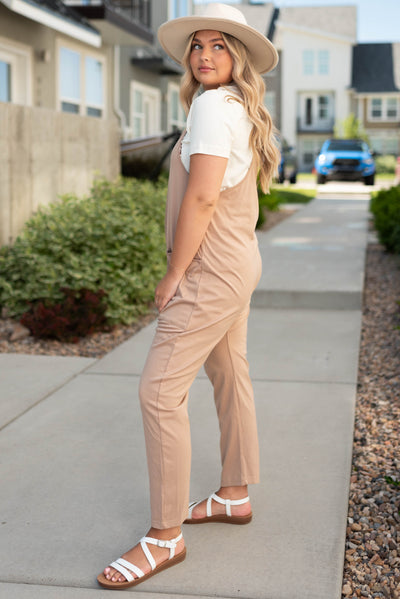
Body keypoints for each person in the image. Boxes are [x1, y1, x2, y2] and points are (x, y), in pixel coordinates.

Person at [97, 3, 279, 590]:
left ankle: (164, 535)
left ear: (240, 57)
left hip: (210, 270)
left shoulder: (210, 107)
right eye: (197, 46)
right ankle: (233, 494)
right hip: (239, 261)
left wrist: (174, 274)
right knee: (231, 372)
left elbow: (201, 201)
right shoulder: (236, 108)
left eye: (219, 46)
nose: (204, 55)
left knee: (158, 392)